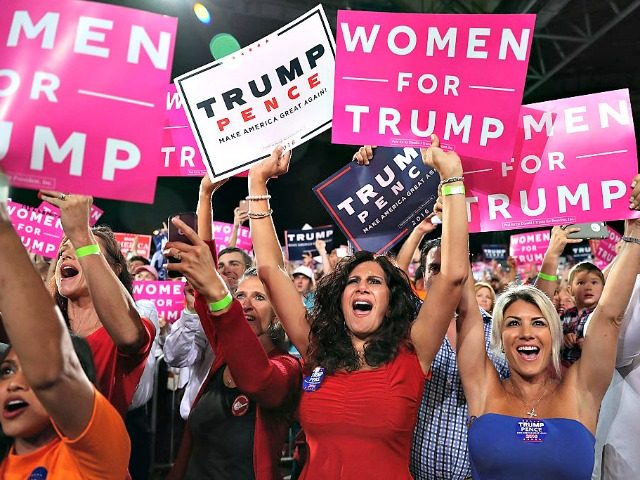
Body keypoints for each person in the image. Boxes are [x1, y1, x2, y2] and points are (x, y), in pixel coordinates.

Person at [248, 136, 469, 478]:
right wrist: (257, 182)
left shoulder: (413, 351)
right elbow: (270, 273)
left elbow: (453, 275)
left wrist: (451, 176)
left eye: (375, 281)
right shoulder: (316, 348)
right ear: (340, 297)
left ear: (390, 302)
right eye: (353, 281)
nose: (362, 285)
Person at [455, 207, 640, 479]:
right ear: (499, 338)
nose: (526, 332)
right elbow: (466, 304)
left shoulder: (581, 389)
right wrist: (454, 198)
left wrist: (634, 233)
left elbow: (609, 316)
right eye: (513, 323)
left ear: (553, 335)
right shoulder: (483, 386)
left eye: (539, 323)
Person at [0, 194, 130, 478]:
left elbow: (51, 371)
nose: (14, 384)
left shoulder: (94, 451)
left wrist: (81, 235)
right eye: (7, 370)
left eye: (81, 250)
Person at [163, 217, 301, 480]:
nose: (245, 304)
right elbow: (205, 294)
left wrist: (217, 292)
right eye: (240, 296)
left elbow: (258, 382)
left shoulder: (289, 368)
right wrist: (206, 196)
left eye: (259, 297)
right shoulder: (222, 355)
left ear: (278, 312)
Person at [39, 191, 155, 418]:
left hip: (88, 451)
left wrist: (82, 235)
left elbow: (130, 337)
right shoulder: (42, 324)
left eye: (81, 252)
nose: (66, 257)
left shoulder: (135, 325)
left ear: (113, 269)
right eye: (63, 252)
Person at [410, 238, 510, 480]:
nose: (447, 275)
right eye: (435, 268)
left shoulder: (500, 331)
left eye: (453, 265)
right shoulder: (405, 329)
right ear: (422, 278)